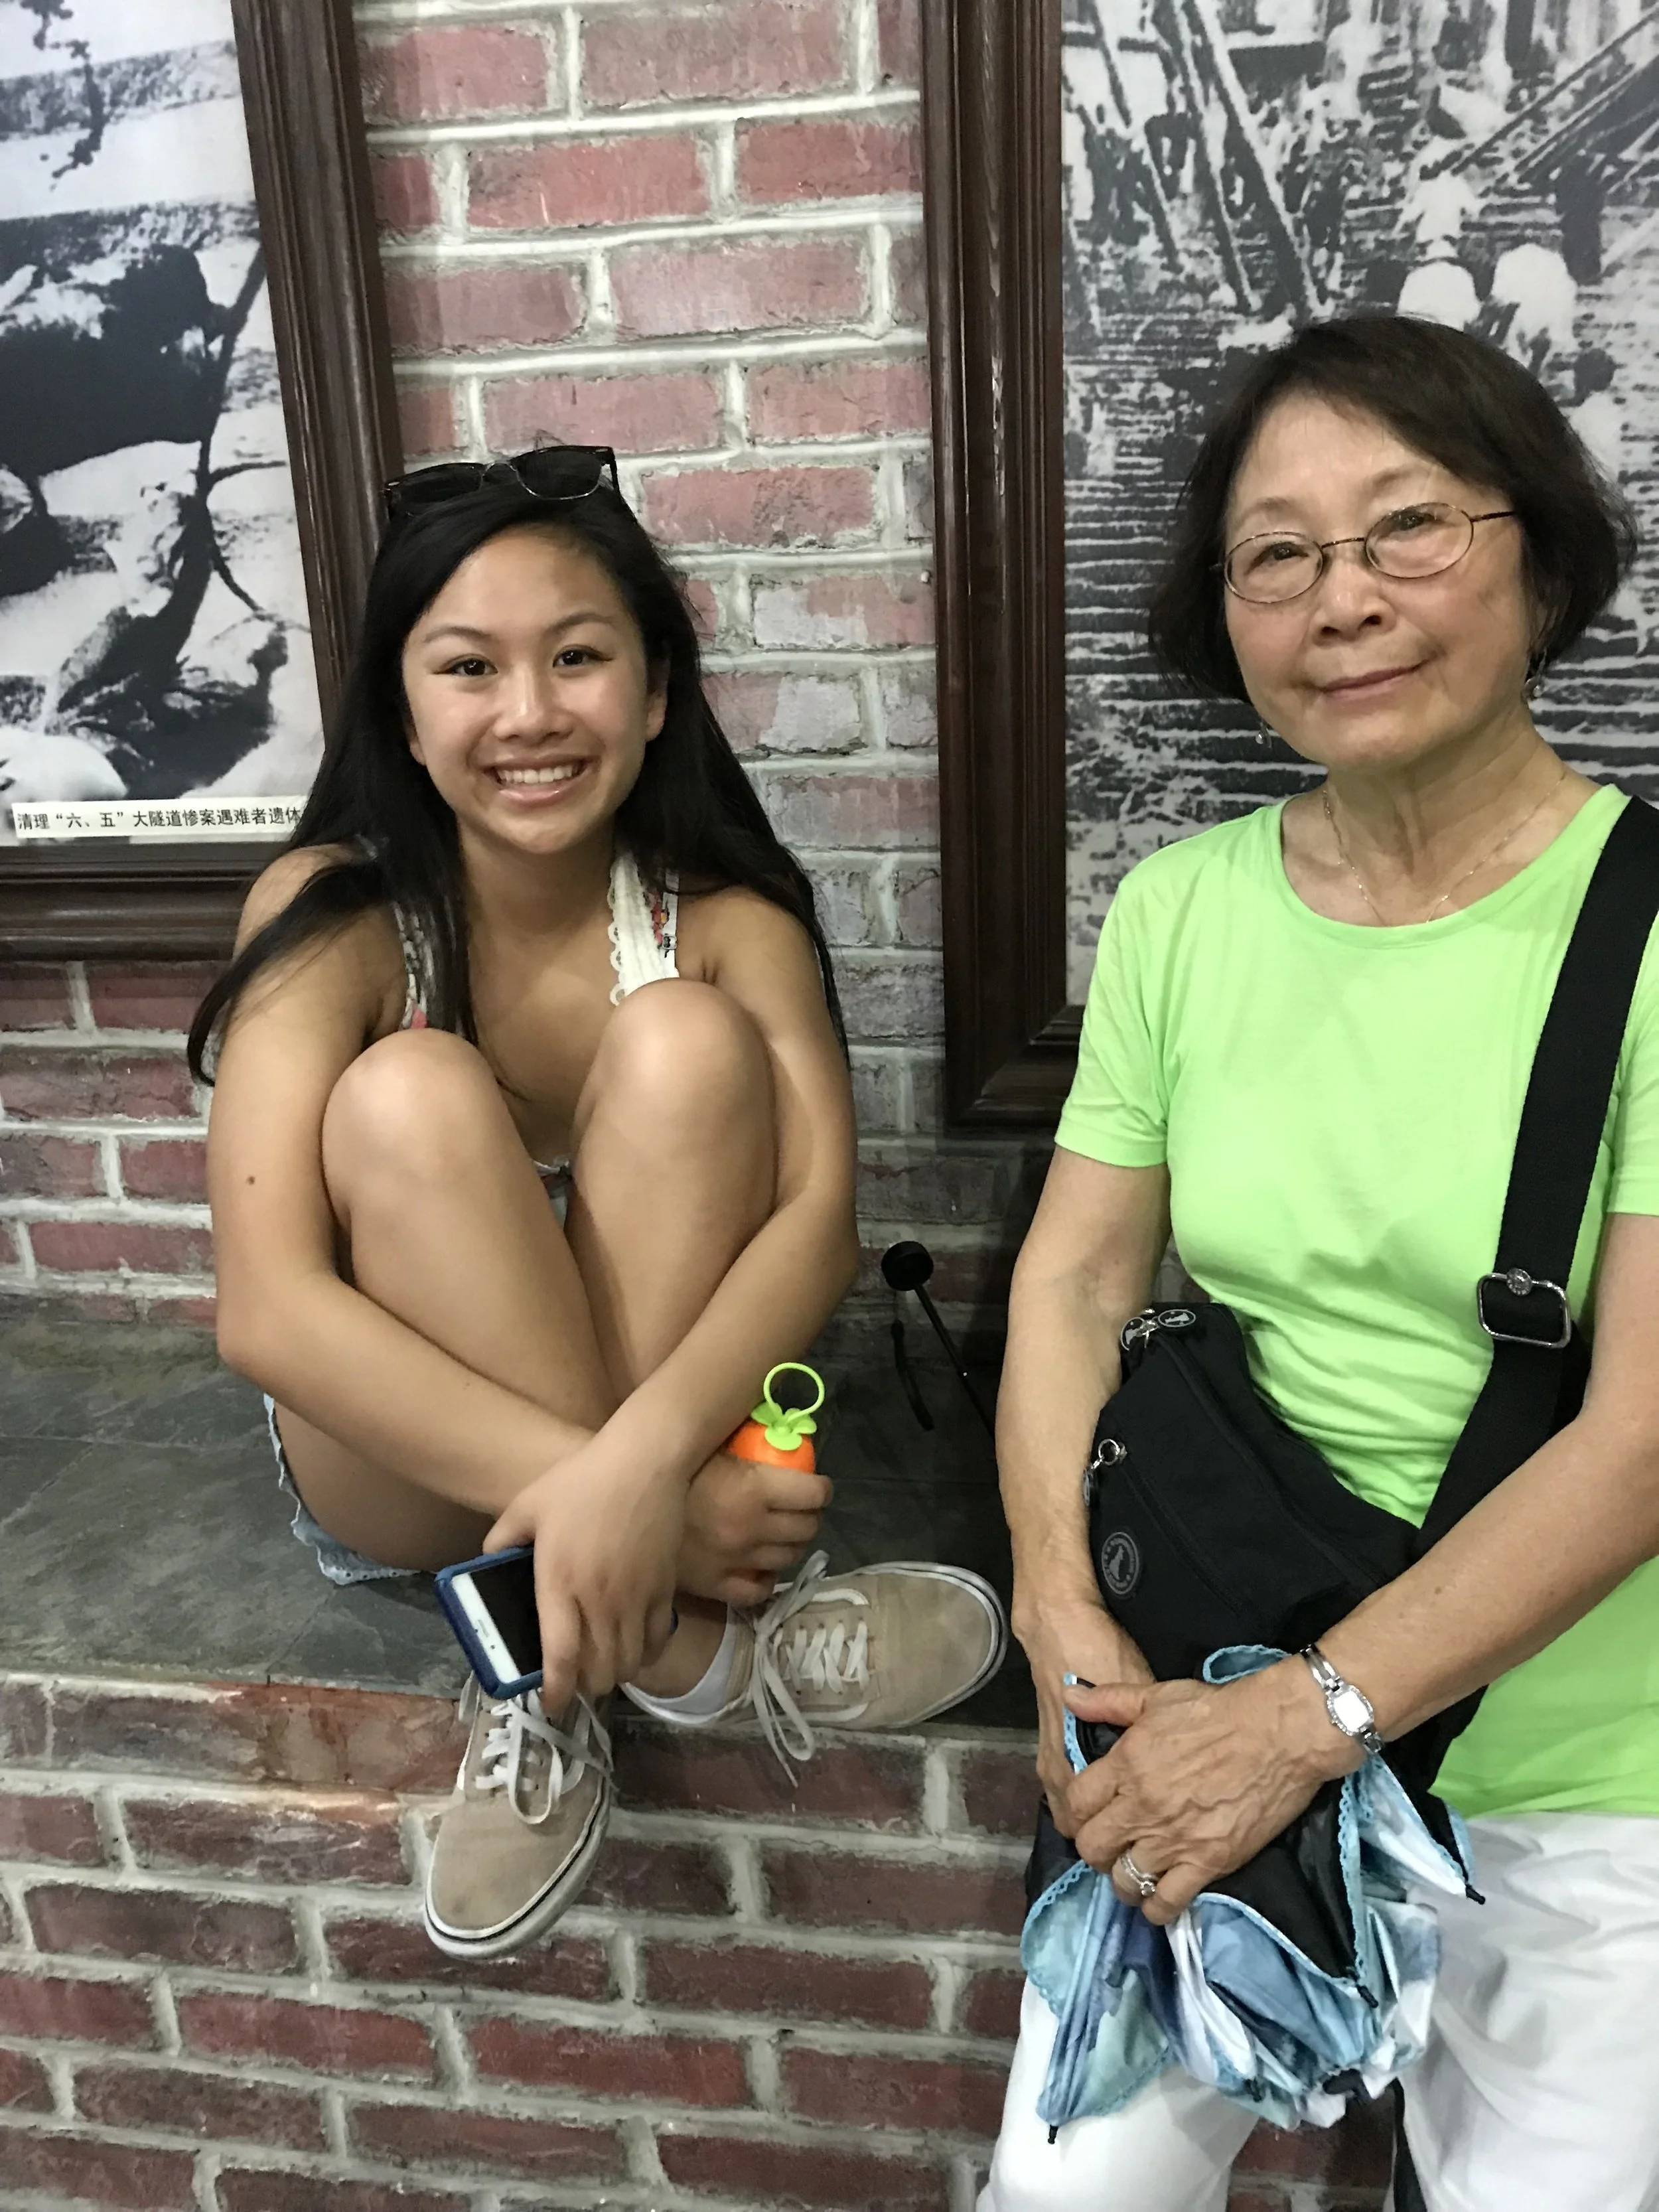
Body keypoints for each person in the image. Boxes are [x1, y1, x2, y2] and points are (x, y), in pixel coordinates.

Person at [984, 318, 1659, 2211]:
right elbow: (1068, 1283)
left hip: (1580, 1757)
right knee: (1066, 2194)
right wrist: (1057, 1608)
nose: (1340, 599)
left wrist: (1305, 1727)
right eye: (1274, 554)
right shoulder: (1180, 911)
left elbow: (1642, 1436)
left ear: (1537, 559)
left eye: (1405, 527)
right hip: (1208, 1660)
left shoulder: (1648, 932)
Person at [190, 447, 1005, 1962]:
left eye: (576, 657)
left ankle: (563, 1622)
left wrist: (637, 1470)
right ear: (401, 712)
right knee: (408, 1092)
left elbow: (816, 1226)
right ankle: (651, 1655)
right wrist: (669, 1513)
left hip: (654, 1440)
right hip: (398, 1474)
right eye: (468, 667)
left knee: (688, 1041)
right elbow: (269, 1311)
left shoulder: (730, 919)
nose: (528, 714)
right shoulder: (332, 910)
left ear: (654, 691)